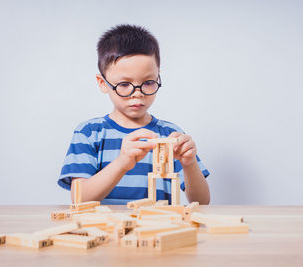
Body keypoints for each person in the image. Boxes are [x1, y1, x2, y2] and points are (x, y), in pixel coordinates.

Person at [58, 24, 210, 205]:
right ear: (102, 83)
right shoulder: (89, 133)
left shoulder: (169, 134)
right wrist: (122, 163)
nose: (137, 93)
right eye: (123, 84)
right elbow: (79, 199)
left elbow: (202, 202)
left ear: (157, 76)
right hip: (108, 231)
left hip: (156, 230)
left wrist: (190, 163)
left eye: (148, 82)